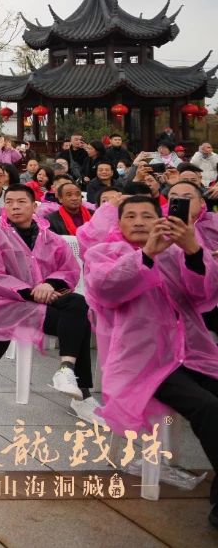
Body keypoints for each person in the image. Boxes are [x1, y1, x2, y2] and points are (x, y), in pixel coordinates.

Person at [83, 194, 218, 530]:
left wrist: (193, 251)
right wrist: (146, 255)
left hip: (193, 352)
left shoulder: (177, 251)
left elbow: (203, 294)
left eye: (147, 215)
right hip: (144, 361)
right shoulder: (104, 254)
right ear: (119, 223)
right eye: (130, 216)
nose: (139, 222)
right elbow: (107, 289)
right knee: (207, 407)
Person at [0, 184, 100, 422]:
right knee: (78, 317)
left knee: (78, 305)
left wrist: (50, 284)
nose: (15, 206)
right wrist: (33, 292)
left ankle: (67, 370)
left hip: (46, 299)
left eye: (21, 201)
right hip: (10, 305)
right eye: (9, 202)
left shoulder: (49, 236)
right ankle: (81, 393)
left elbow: (69, 268)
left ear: (34, 206)